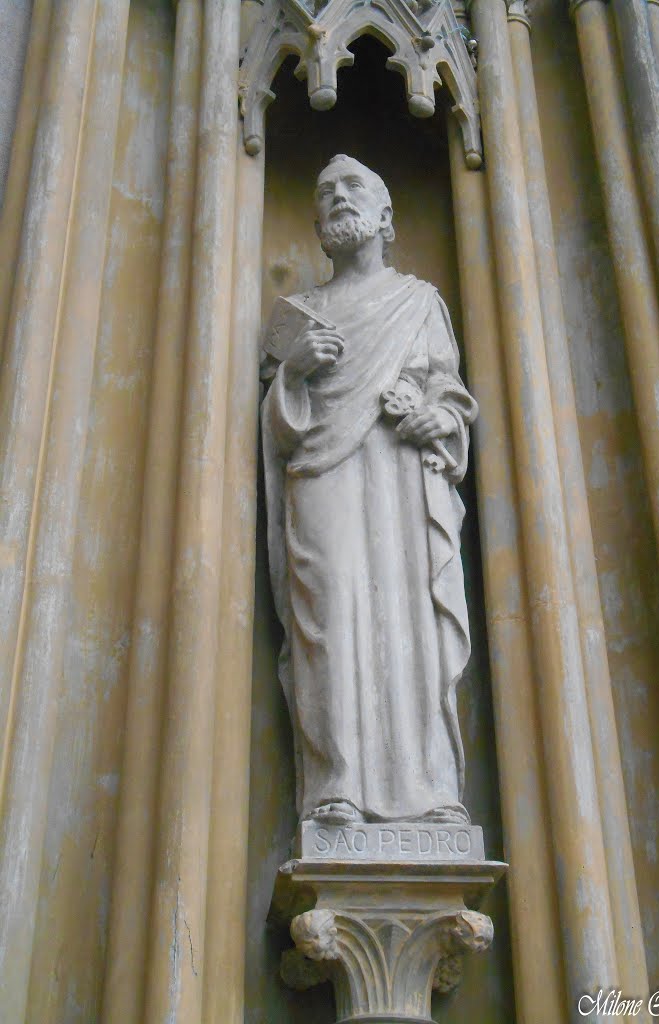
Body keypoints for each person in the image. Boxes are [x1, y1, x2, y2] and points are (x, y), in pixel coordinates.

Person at [261, 154, 478, 827]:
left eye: (354, 188)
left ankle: (433, 787)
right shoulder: (295, 316)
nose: (336, 199)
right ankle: (338, 786)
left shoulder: (419, 303)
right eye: (324, 193)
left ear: (386, 217)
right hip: (323, 478)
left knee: (409, 619)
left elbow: (451, 398)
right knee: (329, 617)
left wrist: (438, 417)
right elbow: (276, 428)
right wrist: (291, 376)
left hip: (402, 479)